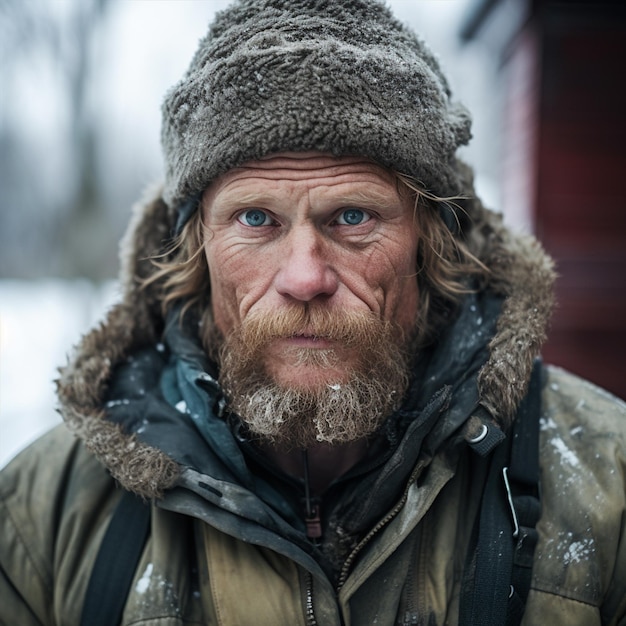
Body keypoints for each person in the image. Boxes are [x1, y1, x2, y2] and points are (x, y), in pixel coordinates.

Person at [1, 0, 625, 624]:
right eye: (255, 219)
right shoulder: (44, 518)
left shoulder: (607, 487)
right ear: (195, 251)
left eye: (353, 216)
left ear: (431, 242)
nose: (305, 277)